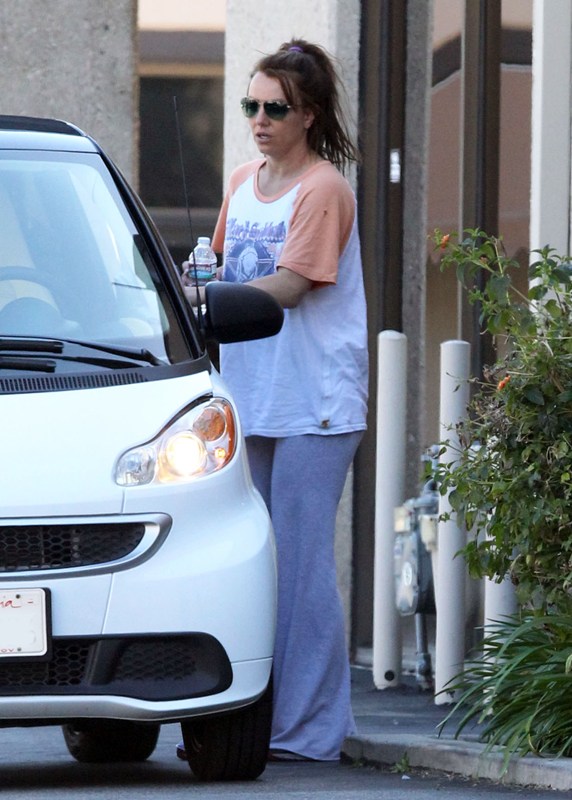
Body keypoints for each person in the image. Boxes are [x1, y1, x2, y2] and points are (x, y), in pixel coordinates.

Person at [180, 37, 368, 763]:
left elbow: (289, 286)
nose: (259, 119)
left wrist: (208, 299)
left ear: (308, 114)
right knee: (254, 565)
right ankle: (257, 721)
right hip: (252, 397)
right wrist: (193, 285)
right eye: (250, 105)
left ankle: (311, 731)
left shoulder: (324, 189)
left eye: (275, 109)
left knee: (300, 563)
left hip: (315, 402)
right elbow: (219, 272)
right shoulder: (241, 181)